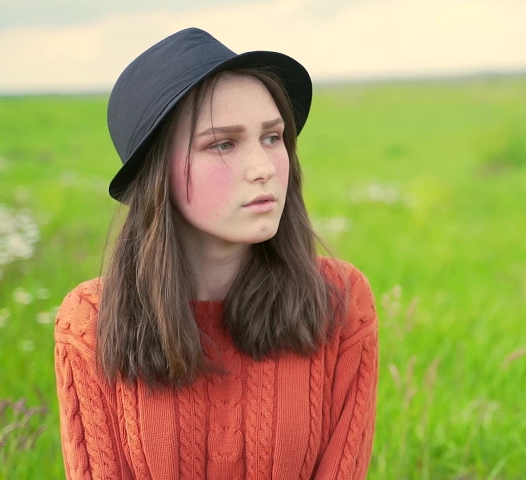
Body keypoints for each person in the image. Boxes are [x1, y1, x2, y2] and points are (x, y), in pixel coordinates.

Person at [53, 28, 378, 479]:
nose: (264, 168)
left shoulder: (339, 300)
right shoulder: (91, 322)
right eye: (222, 143)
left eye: (272, 137)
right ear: (157, 174)